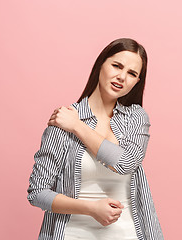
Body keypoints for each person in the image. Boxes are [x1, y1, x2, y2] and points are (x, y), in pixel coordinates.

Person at [27, 38, 164, 240]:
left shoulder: (136, 118)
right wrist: (90, 208)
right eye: (117, 66)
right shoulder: (62, 121)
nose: (121, 77)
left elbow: (125, 163)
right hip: (71, 233)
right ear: (101, 64)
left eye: (132, 73)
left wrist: (77, 126)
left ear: (137, 82)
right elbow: (37, 193)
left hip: (128, 234)